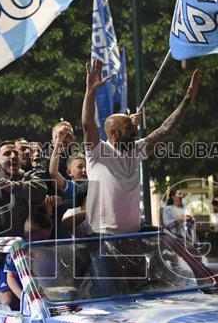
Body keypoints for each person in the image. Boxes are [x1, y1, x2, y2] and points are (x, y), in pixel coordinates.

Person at [81, 59, 199, 235]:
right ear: (113, 132)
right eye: (129, 128)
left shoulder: (136, 150)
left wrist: (187, 100)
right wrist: (90, 91)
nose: (135, 132)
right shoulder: (98, 152)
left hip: (134, 236)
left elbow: (165, 130)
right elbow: (87, 123)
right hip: (102, 237)